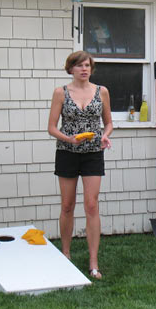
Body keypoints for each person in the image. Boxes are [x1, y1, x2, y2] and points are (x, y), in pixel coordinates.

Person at [48, 51, 113, 279]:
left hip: (93, 153)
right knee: (67, 205)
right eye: (79, 66)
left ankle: (93, 262)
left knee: (91, 205)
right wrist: (69, 139)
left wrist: (105, 135)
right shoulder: (61, 93)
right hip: (67, 152)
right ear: (71, 69)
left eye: (87, 65)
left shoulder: (101, 91)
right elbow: (52, 127)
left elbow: (109, 123)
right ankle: (65, 255)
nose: (84, 69)